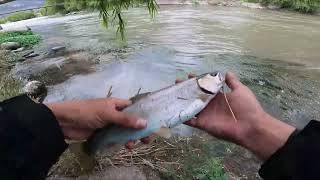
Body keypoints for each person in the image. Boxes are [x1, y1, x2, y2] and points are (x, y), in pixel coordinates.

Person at [0, 72, 319, 180]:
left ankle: (85, 149)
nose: (218, 78)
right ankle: (87, 149)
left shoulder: (202, 93)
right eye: (213, 76)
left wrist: (254, 128)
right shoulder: (199, 89)